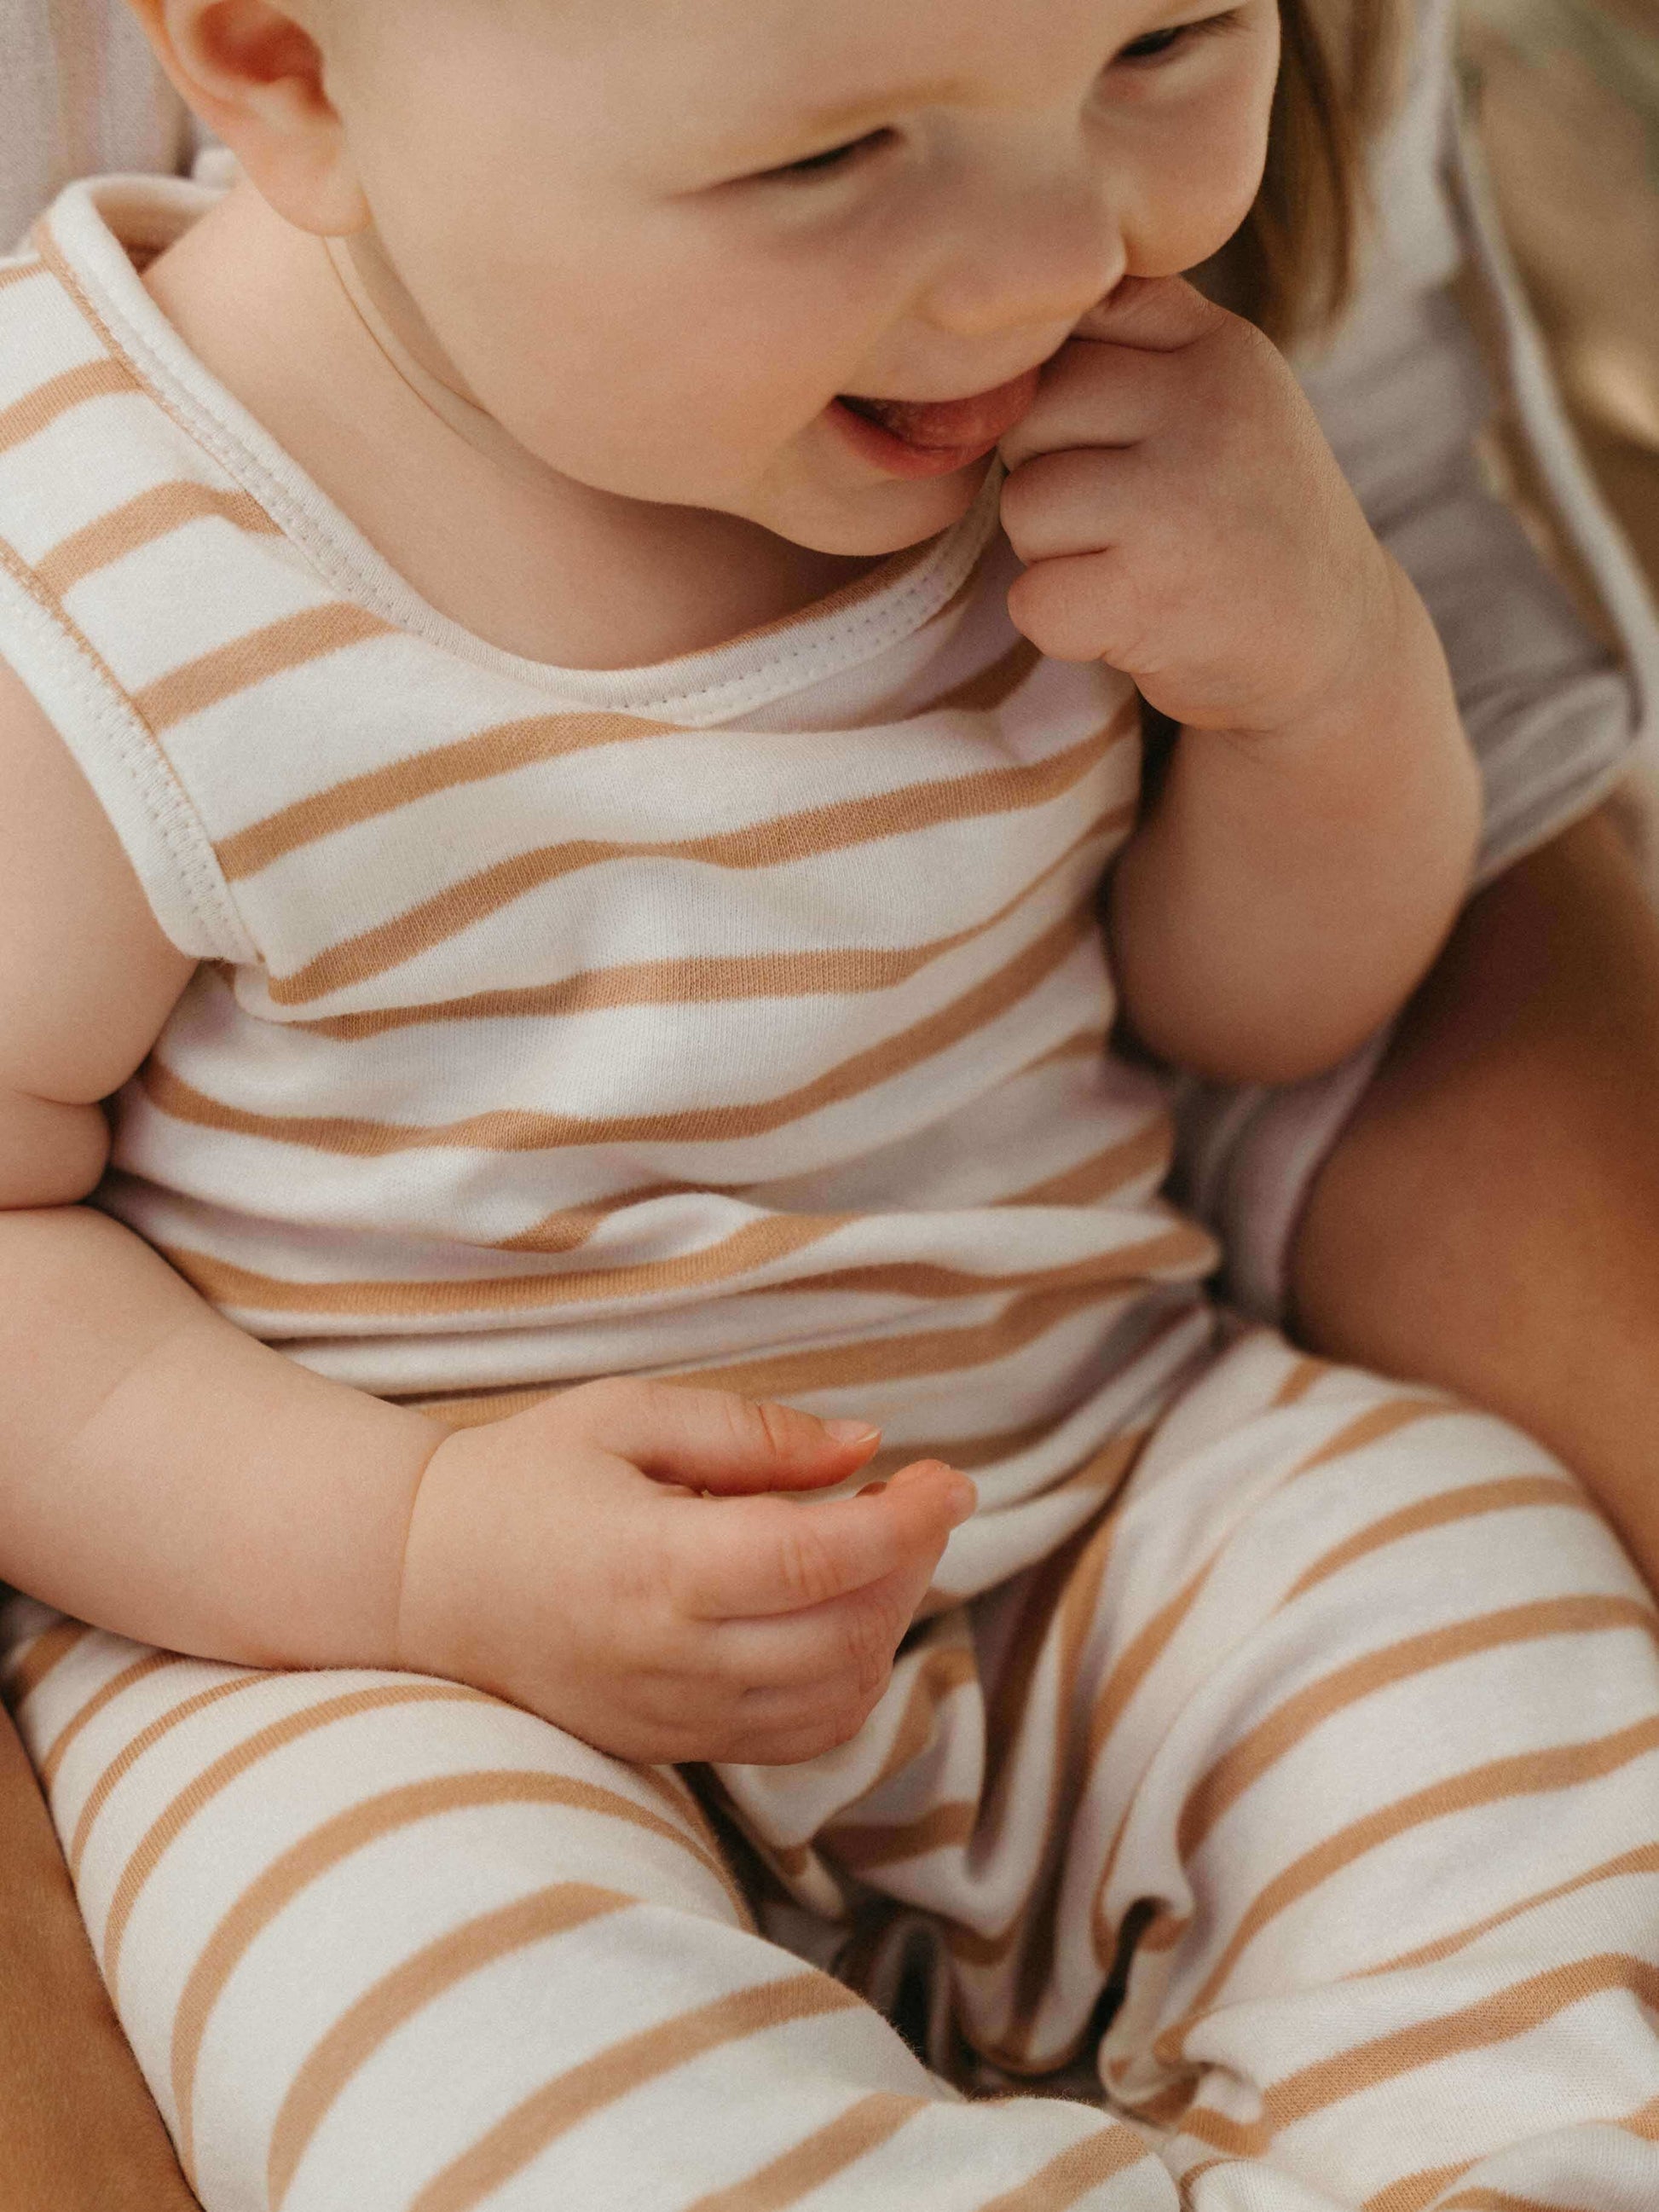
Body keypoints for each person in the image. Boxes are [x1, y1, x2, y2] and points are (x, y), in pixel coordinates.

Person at [5, 3, 1659, 2210]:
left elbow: (1246, 1017)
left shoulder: (1109, 414)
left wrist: (1327, 685)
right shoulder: (105, 566)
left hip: (1086, 1480)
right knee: (445, 2050)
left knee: (1474, 1599)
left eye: (1164, 44)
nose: (1051, 254)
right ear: (290, 69)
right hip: (400, 1647)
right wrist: (419, 1548)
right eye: (829, 159)